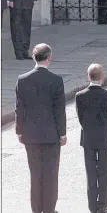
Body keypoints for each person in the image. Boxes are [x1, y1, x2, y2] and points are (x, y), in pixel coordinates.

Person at [15, 43, 66, 213]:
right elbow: (59, 110)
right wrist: (62, 134)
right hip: (51, 136)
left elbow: (19, 109)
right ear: (49, 57)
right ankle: (49, 208)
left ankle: (36, 209)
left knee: (35, 175)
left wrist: (19, 131)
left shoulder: (22, 80)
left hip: (31, 136)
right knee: (51, 174)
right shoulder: (56, 80)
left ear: (33, 57)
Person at [76, 64, 107, 213]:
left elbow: (80, 118)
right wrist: (106, 131)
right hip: (104, 137)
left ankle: (92, 205)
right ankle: (102, 205)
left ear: (88, 77)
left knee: (91, 172)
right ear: (102, 78)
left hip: (88, 138)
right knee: (104, 172)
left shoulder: (80, 96)